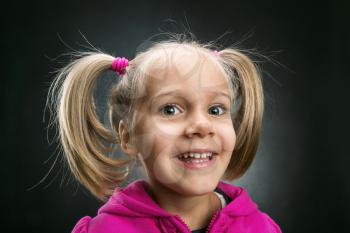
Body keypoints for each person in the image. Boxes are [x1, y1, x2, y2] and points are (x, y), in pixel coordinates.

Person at [46, 33, 282, 233]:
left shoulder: (261, 227)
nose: (201, 125)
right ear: (128, 137)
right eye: (170, 109)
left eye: (215, 109)